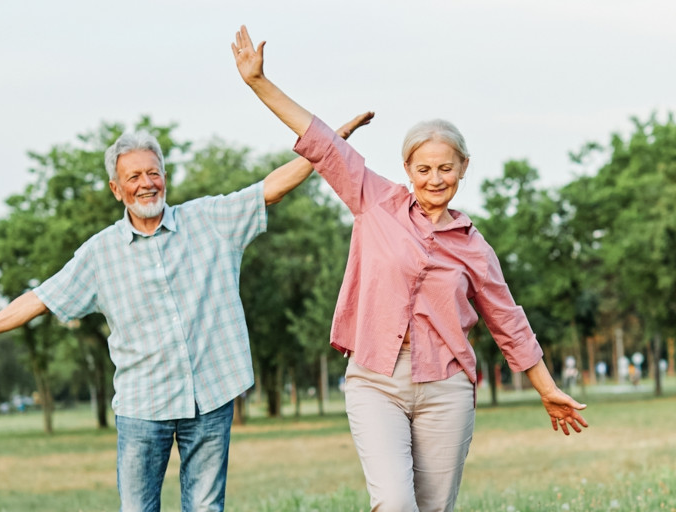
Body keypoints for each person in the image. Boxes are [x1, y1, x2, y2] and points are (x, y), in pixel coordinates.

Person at [0, 114, 371, 512]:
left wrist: (330, 142)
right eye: (133, 176)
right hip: (143, 407)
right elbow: (38, 299)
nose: (146, 183)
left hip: (212, 396)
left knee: (207, 506)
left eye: (153, 172)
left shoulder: (209, 220)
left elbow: (272, 187)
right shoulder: (98, 254)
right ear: (117, 189)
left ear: (165, 178)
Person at [232, 25, 589, 512]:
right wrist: (258, 83)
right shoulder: (373, 201)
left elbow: (509, 322)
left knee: (433, 508)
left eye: (446, 168)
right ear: (407, 169)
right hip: (376, 378)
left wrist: (547, 389)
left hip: (446, 386)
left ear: (463, 168)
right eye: (424, 169)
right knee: (396, 504)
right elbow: (320, 142)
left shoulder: (474, 249)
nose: (435, 178)